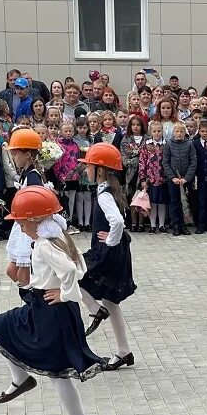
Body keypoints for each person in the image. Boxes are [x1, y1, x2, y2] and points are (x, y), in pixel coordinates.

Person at [0, 186, 102, 415]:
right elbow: (80, 266)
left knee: (54, 369)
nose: (18, 227)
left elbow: (71, 270)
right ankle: (23, 382)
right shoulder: (59, 238)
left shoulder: (43, 245)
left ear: (32, 220)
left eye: (19, 222)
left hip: (51, 311)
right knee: (4, 327)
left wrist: (64, 294)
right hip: (49, 309)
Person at [76, 144, 137, 371]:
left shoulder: (104, 195)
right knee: (112, 301)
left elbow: (118, 222)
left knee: (73, 273)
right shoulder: (111, 189)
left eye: (89, 166)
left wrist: (110, 240)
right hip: (117, 251)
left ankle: (94, 310)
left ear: (99, 170)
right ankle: (124, 352)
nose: (86, 170)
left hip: (107, 252)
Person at [5, 129, 45, 291]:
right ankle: (31, 299)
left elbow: (38, 204)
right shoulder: (26, 174)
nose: (14, 158)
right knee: (12, 271)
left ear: (28, 154)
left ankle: (33, 303)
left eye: (16, 154)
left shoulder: (33, 176)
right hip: (21, 226)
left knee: (22, 272)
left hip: (28, 227)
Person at [162, 121, 197, 236]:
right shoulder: (168, 144)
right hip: (173, 180)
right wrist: (172, 177)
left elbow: (193, 161)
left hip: (186, 179)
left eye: (181, 131)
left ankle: (184, 226)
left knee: (185, 203)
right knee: (174, 202)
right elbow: (165, 162)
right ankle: (176, 225)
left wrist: (187, 178)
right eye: (177, 131)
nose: (179, 133)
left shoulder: (189, 144)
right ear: (173, 132)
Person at [139, 121, 169, 233]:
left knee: (162, 202)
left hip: (163, 178)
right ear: (150, 132)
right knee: (152, 202)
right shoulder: (146, 145)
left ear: (163, 131)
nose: (157, 133)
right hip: (150, 179)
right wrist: (142, 178)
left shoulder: (166, 144)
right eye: (154, 131)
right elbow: (142, 162)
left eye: (159, 131)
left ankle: (161, 225)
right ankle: (152, 225)